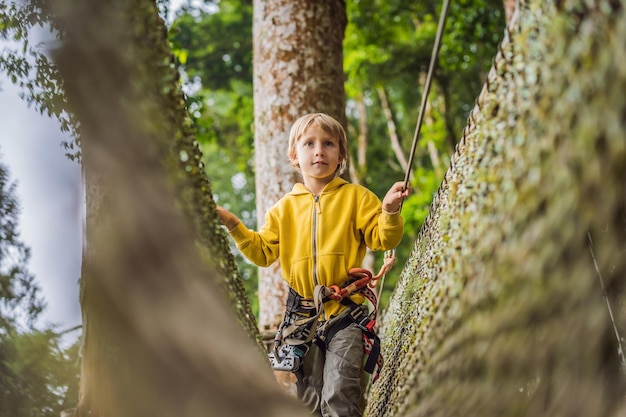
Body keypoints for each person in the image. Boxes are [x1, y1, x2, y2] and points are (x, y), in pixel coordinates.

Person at [217, 112, 409, 417]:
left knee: (340, 392)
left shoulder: (357, 198)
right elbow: (262, 253)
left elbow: (381, 239)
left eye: (329, 143)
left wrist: (388, 211)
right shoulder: (283, 209)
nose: (319, 150)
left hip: (347, 314)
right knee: (305, 402)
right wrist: (232, 223)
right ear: (295, 155)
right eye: (309, 143)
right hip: (302, 318)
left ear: (341, 155)